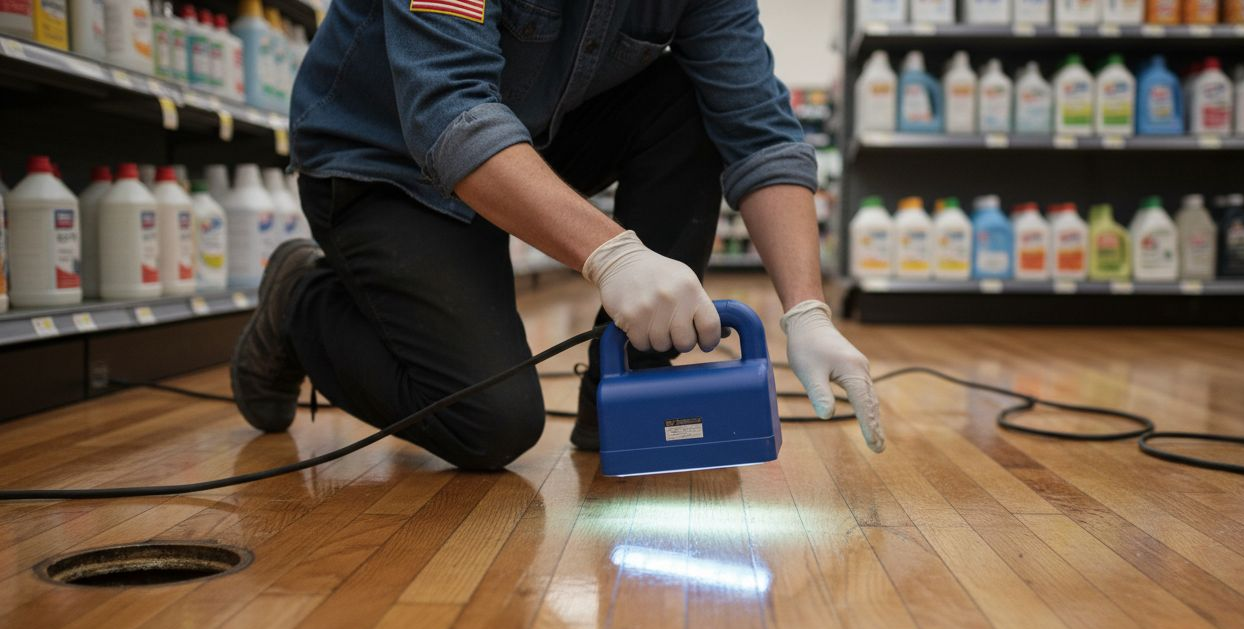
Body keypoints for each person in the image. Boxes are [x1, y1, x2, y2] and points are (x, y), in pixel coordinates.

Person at [230, 0, 886, 470]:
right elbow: (447, 110)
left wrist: (807, 309)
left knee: (695, 99)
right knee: (491, 424)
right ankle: (299, 302)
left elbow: (759, 131)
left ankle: (624, 397)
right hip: (384, 161)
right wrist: (611, 254)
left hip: (529, 137)